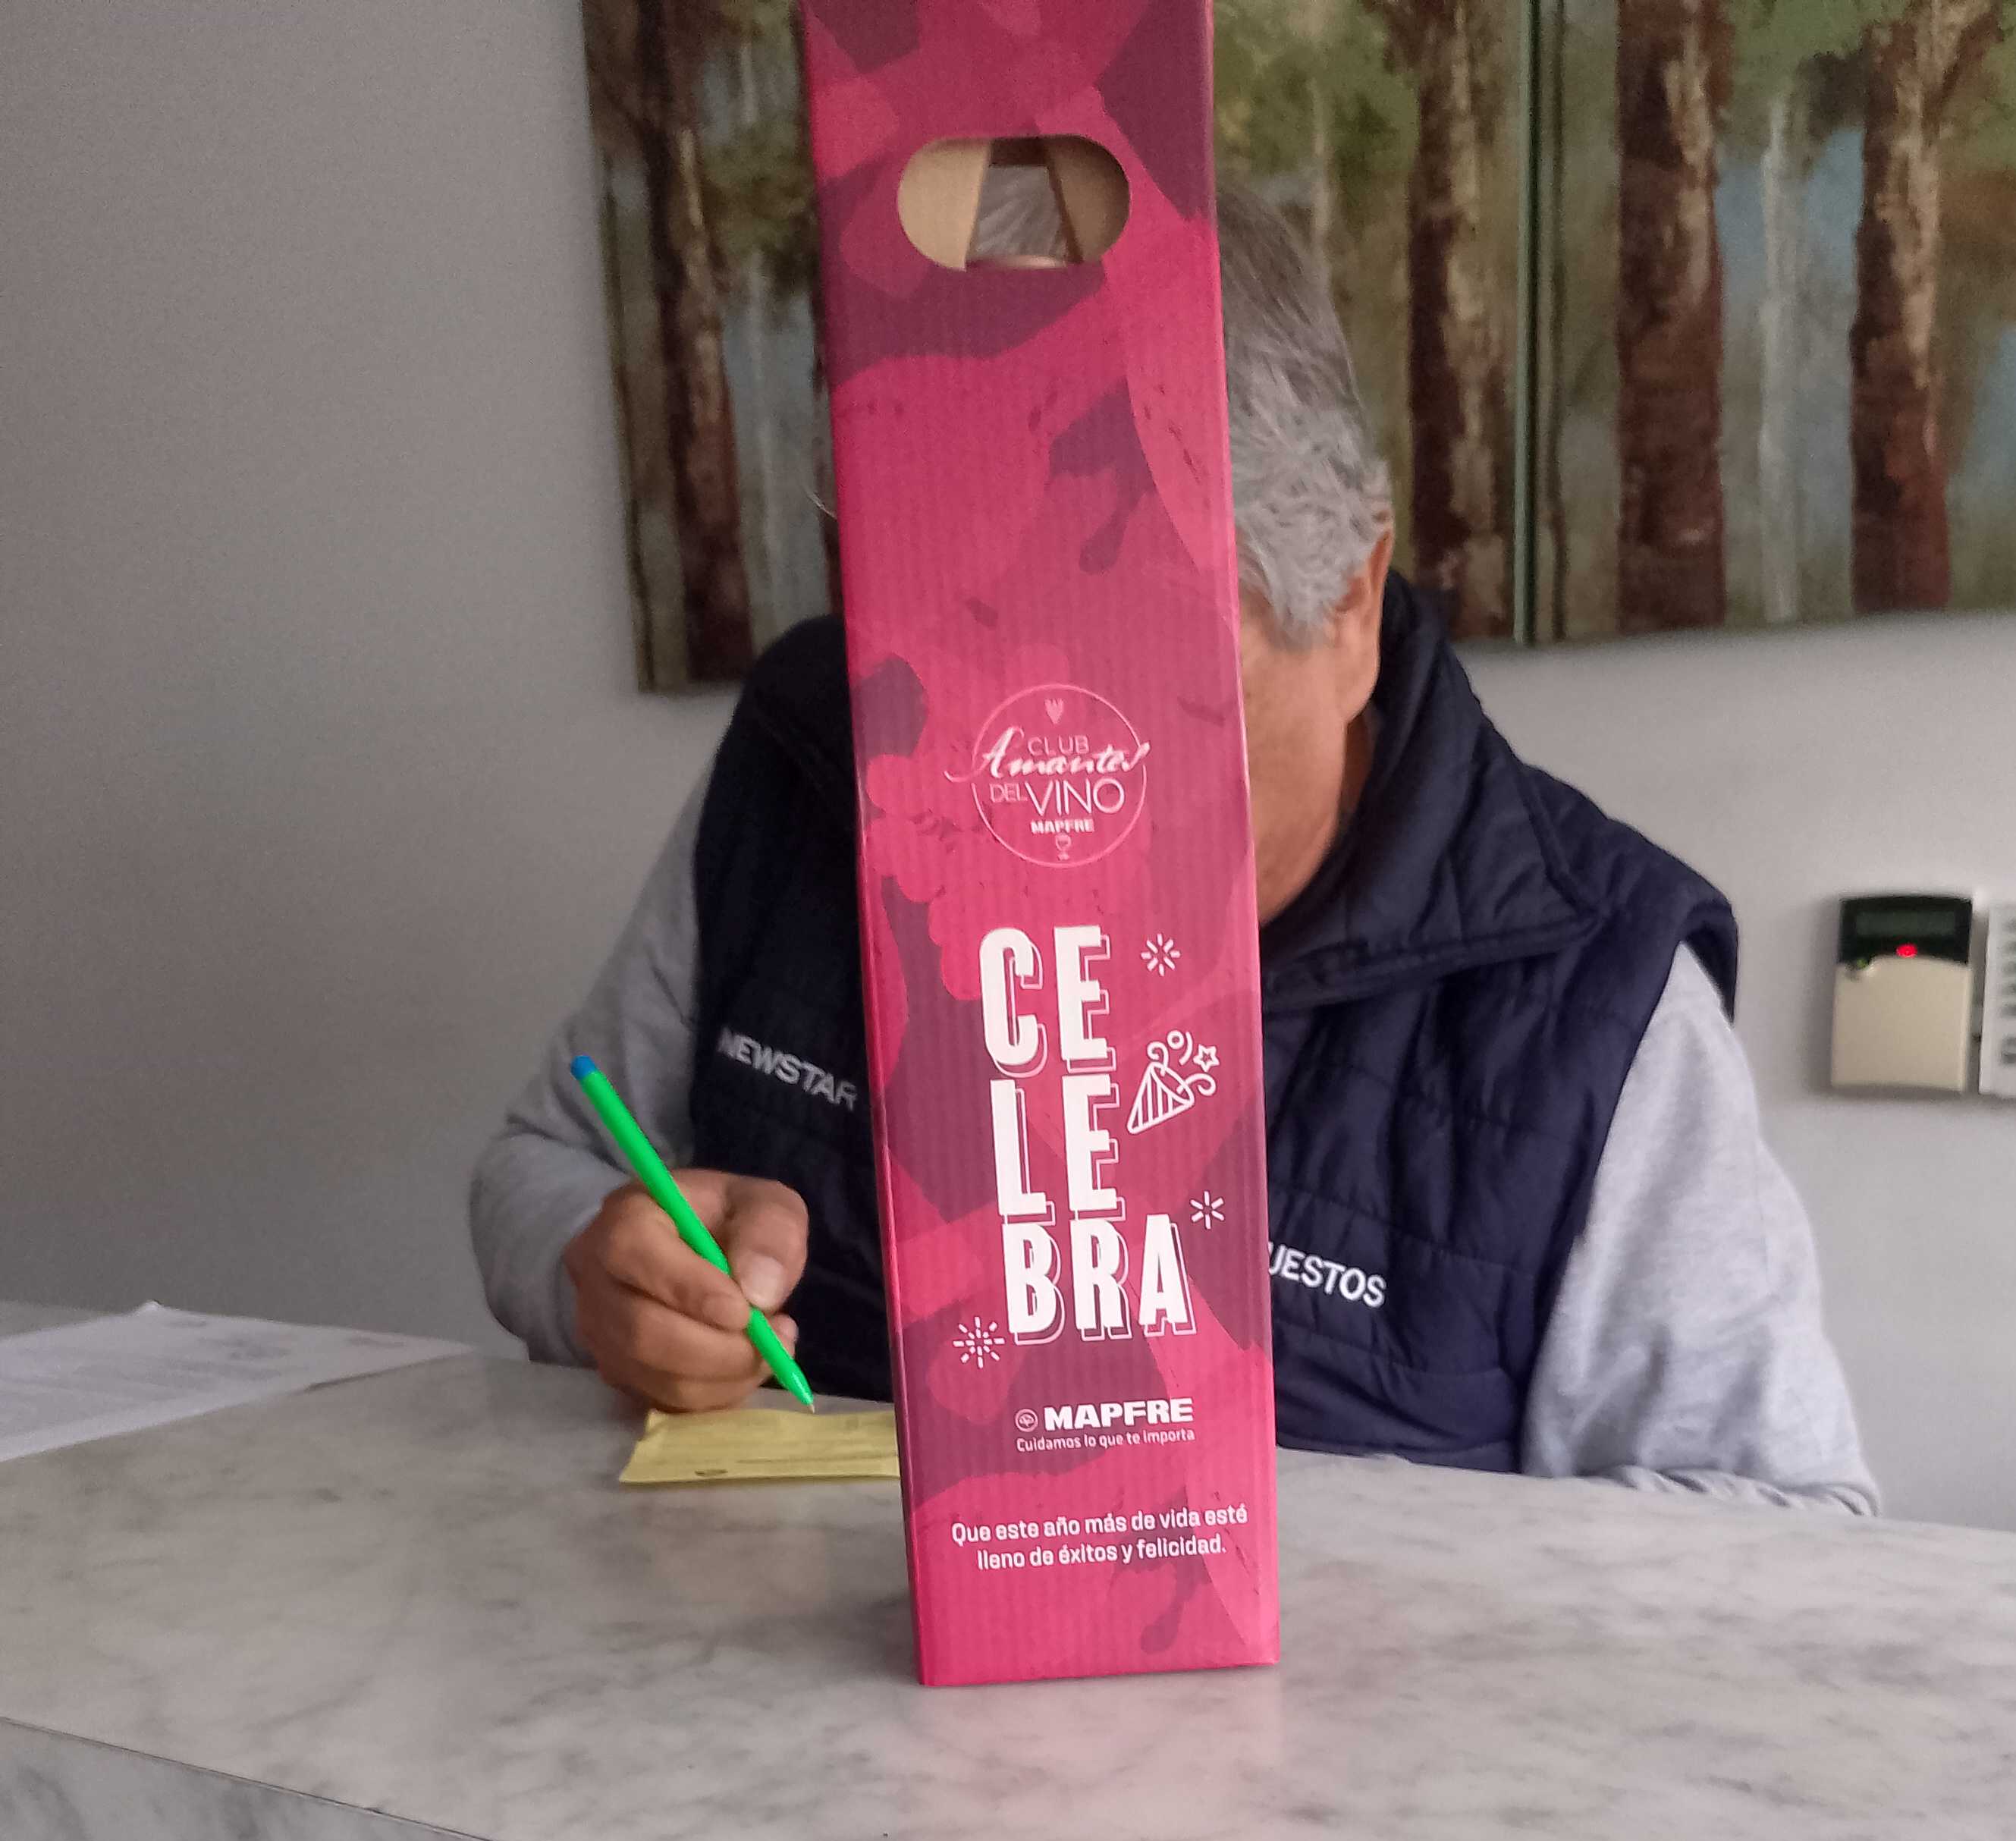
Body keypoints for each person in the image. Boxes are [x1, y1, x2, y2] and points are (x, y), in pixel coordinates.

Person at [473, 190, 1874, 1513]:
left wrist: (1358, 1571)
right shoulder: (808, 758)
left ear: (1350, 604)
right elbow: (547, 1158)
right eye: (960, 689)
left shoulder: (1597, 1002)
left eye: (1148, 695)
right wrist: (600, 1273)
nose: (1045, 799)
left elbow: (1788, 1521)